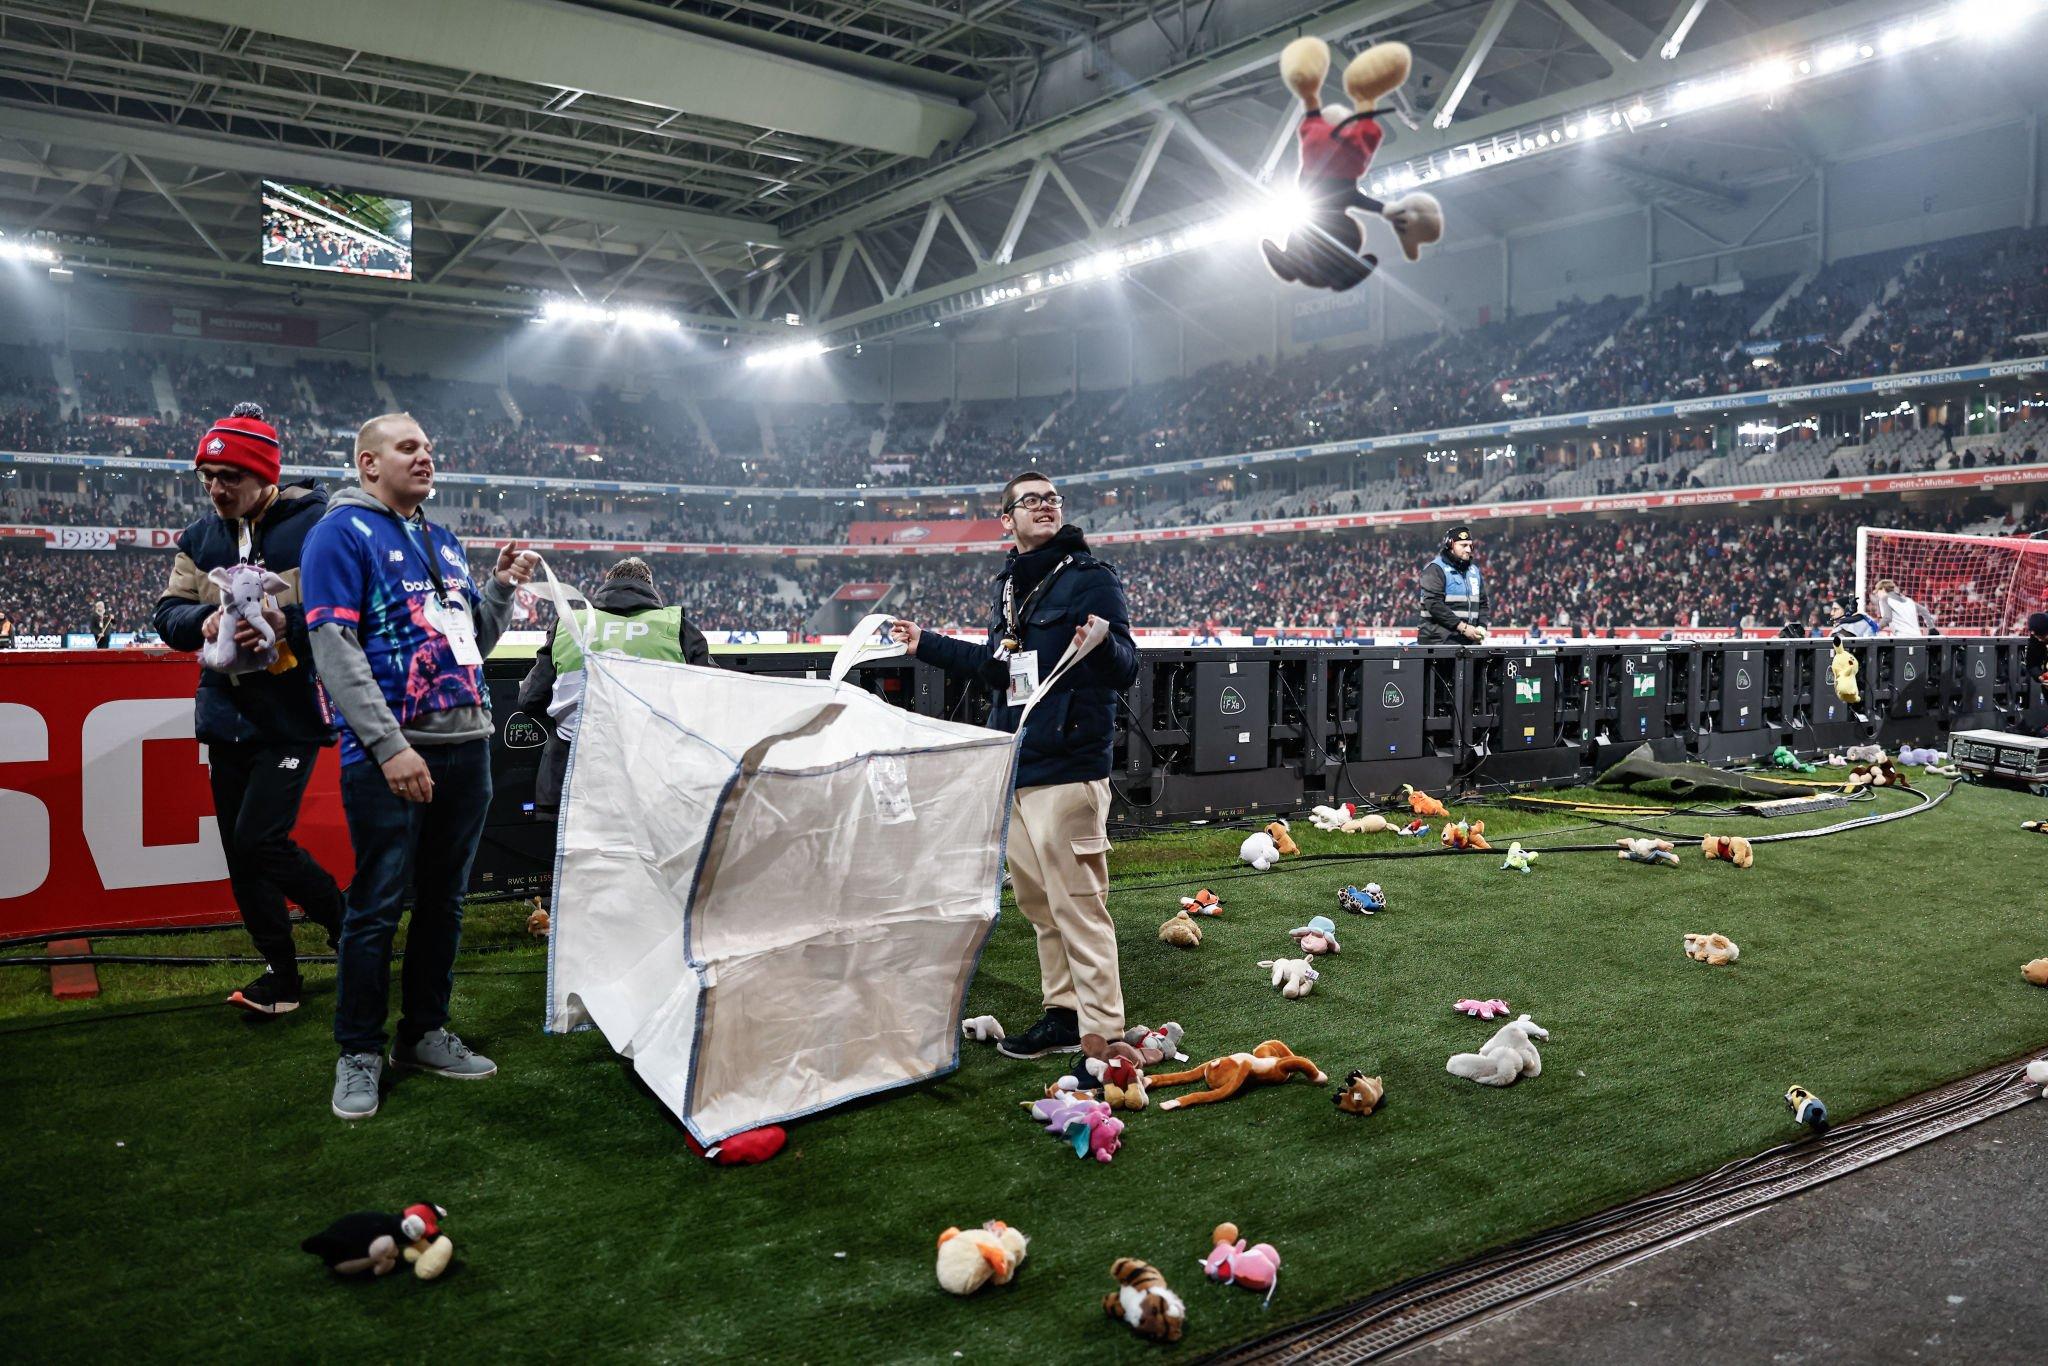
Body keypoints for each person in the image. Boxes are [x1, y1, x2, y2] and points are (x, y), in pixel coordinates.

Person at [301, 412, 537, 1121]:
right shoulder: (339, 533)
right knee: (375, 908)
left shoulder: (443, 539)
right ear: (369, 463)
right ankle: (359, 1051)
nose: (426, 457)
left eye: (430, 447)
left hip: (467, 746)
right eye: (409, 447)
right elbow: (334, 648)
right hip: (392, 753)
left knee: (445, 902)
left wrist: (495, 590)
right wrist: (389, 746)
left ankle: (423, 1033)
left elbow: (468, 647)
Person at [888, 472, 1139, 1060]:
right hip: (1021, 764)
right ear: (1008, 519)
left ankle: (1103, 1032)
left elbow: (1126, 667)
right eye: (1031, 501)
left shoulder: (1091, 580)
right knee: (1040, 907)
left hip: (1071, 768)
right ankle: (1063, 1015)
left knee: (1078, 905)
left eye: (1051, 499)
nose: (1045, 507)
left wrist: (1100, 646)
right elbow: (1002, 671)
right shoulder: (1011, 589)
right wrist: (925, 643)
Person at [151, 402, 344, 1015]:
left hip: (290, 711)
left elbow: (346, 604)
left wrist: (288, 624)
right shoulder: (198, 537)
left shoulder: (315, 524)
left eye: (229, 476)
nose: (215, 488)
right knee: (241, 850)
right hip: (226, 714)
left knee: (260, 840)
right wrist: (201, 620)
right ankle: (281, 976)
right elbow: (167, 614)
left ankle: (351, 926)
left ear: (264, 474)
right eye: (208, 477)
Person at [515, 556, 711, 814]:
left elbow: (530, 699)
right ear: (650, 587)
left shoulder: (569, 624)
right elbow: (713, 698)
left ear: (606, 584)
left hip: (573, 776)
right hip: (655, 779)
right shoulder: (677, 628)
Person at [1416, 525, 1489, 645]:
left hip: (1468, 641)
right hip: (1439, 641)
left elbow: (1483, 603)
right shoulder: (1435, 569)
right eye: (1463, 545)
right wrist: (1463, 628)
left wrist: (1482, 625)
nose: (1469, 550)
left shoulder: (1474, 571)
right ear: (1450, 545)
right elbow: (1434, 604)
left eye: (1470, 545)